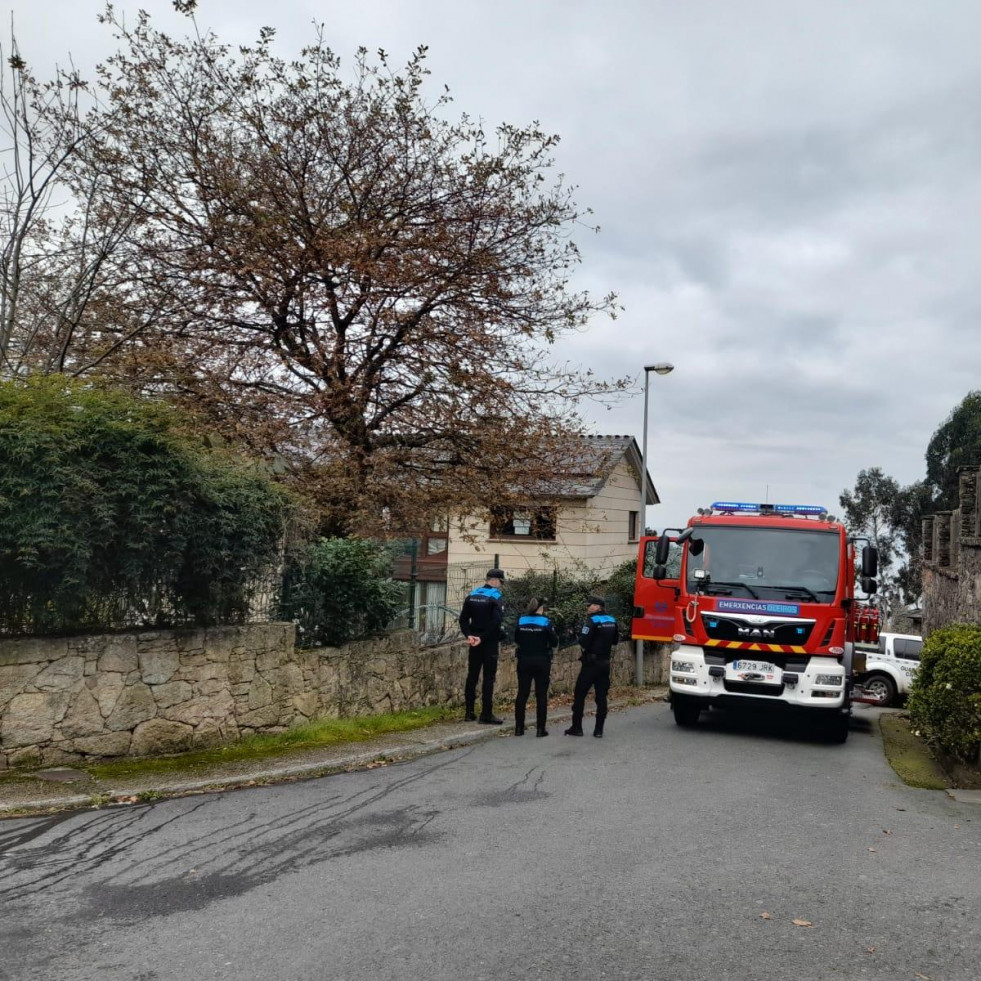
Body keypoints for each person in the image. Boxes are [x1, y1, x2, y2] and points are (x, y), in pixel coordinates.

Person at [565, 596, 619, 738]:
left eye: (589, 605)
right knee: (601, 696)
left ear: (597, 607)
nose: (587, 607)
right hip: (605, 663)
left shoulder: (591, 621)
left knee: (580, 694)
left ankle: (577, 728)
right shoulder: (612, 620)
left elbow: (584, 642)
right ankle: (599, 730)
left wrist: (578, 635)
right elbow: (615, 641)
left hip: (591, 664)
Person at [458, 569, 506, 724]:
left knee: (472, 676)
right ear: (496, 581)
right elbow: (496, 622)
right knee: (488, 678)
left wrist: (469, 635)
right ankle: (486, 714)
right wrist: (482, 638)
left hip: (473, 641)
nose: (501, 586)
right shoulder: (496, 596)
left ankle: (469, 712)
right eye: (501, 583)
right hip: (488, 642)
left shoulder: (472, 595)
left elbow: (463, 619)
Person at [513, 597, 559, 737]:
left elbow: (516, 639)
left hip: (524, 660)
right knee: (541, 695)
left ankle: (519, 729)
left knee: (522, 694)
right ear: (540, 608)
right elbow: (554, 641)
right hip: (542, 661)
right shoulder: (546, 622)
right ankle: (540, 729)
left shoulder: (521, 620)